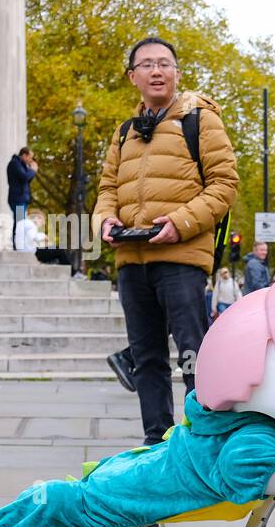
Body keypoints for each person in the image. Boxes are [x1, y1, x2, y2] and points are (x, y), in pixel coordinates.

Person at [95, 36, 239, 444]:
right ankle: (155, 444)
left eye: (164, 63)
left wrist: (179, 222)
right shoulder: (124, 132)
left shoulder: (201, 121)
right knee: (146, 358)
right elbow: (107, 189)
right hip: (131, 259)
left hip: (181, 257)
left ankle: (204, 441)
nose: (156, 71)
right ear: (133, 77)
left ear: (176, 72)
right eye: (146, 65)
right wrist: (104, 221)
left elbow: (225, 184)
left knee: (194, 354)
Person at [6, 147, 38, 248]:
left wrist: (31, 171)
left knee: (19, 222)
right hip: (17, 198)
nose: (30, 160)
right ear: (24, 155)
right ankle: (18, 244)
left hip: (21, 198)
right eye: (30, 157)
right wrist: (33, 170)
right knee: (20, 222)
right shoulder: (15, 164)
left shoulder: (21, 165)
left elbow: (26, 180)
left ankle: (18, 243)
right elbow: (24, 177)